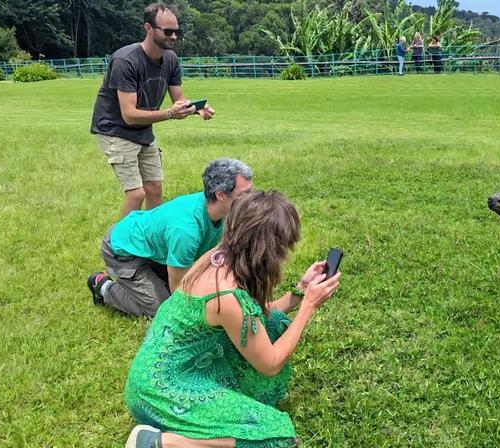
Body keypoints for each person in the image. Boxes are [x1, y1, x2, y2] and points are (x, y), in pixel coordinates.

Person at [123, 190, 341, 448]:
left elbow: (251, 319)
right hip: (162, 392)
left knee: (274, 325)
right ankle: (158, 442)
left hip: (167, 372)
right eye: (282, 247)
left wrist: (300, 291)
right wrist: (308, 306)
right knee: (276, 436)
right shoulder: (228, 295)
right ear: (266, 249)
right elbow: (269, 363)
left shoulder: (218, 258)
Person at [91, 2, 216, 218]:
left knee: (155, 190)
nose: (174, 37)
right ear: (148, 28)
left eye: (177, 31)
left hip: (143, 130)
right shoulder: (126, 61)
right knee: (136, 194)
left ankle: (151, 241)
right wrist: (169, 114)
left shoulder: (171, 60)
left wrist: (197, 108)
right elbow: (129, 115)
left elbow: (179, 100)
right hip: (115, 130)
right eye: (168, 31)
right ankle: (118, 247)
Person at [87, 159, 253, 318]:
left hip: (152, 250)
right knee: (162, 309)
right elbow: (179, 287)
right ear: (221, 195)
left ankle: (152, 277)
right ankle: (103, 286)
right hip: (123, 251)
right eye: (245, 194)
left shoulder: (222, 211)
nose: (251, 199)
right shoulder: (186, 230)